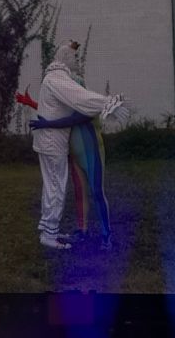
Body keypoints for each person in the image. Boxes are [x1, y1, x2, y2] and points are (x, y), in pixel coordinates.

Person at [19, 40, 126, 251]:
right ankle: (55, 233)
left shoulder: (57, 78)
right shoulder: (62, 79)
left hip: (71, 145)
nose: (76, 62)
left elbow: (64, 109)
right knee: (61, 187)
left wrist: (36, 109)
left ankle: (57, 230)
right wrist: (108, 103)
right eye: (74, 58)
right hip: (59, 145)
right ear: (65, 60)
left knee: (75, 188)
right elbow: (80, 102)